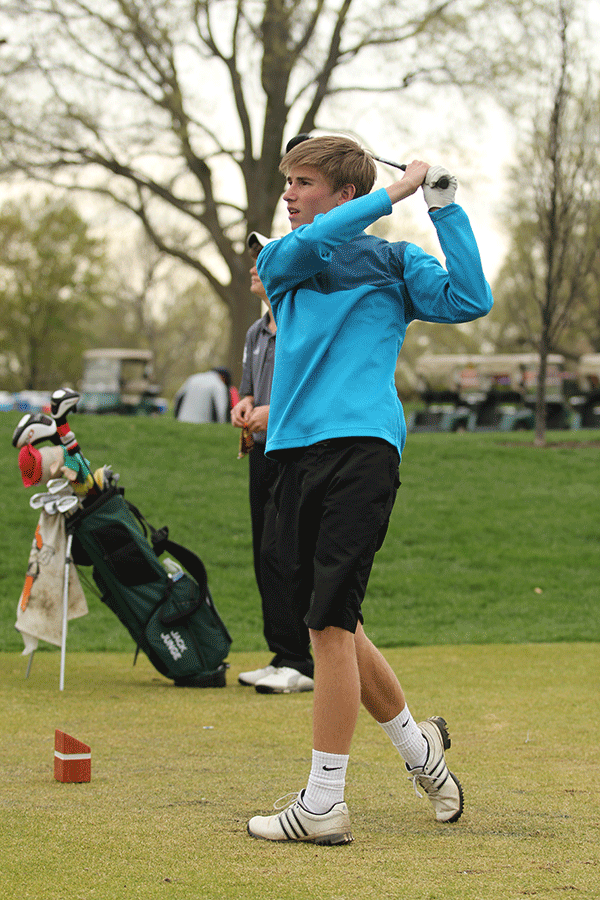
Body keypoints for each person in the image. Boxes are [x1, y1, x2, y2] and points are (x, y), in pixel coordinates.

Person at [245, 135, 493, 844]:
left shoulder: (394, 262)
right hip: (291, 456)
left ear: (345, 192)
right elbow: (321, 238)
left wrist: (442, 206)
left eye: (305, 181)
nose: (289, 194)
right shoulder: (283, 259)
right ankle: (423, 751)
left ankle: (324, 804)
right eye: (288, 181)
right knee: (338, 622)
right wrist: (398, 192)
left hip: (363, 449)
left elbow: (471, 297)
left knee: (325, 623)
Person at [231, 250, 314, 693]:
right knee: (263, 556)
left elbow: (309, 393)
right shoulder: (255, 332)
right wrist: (243, 406)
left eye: (263, 260)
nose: (253, 268)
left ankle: (301, 660)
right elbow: (246, 389)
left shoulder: (302, 325)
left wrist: (272, 413)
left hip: (295, 454)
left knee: (285, 554)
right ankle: (282, 654)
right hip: (260, 454)